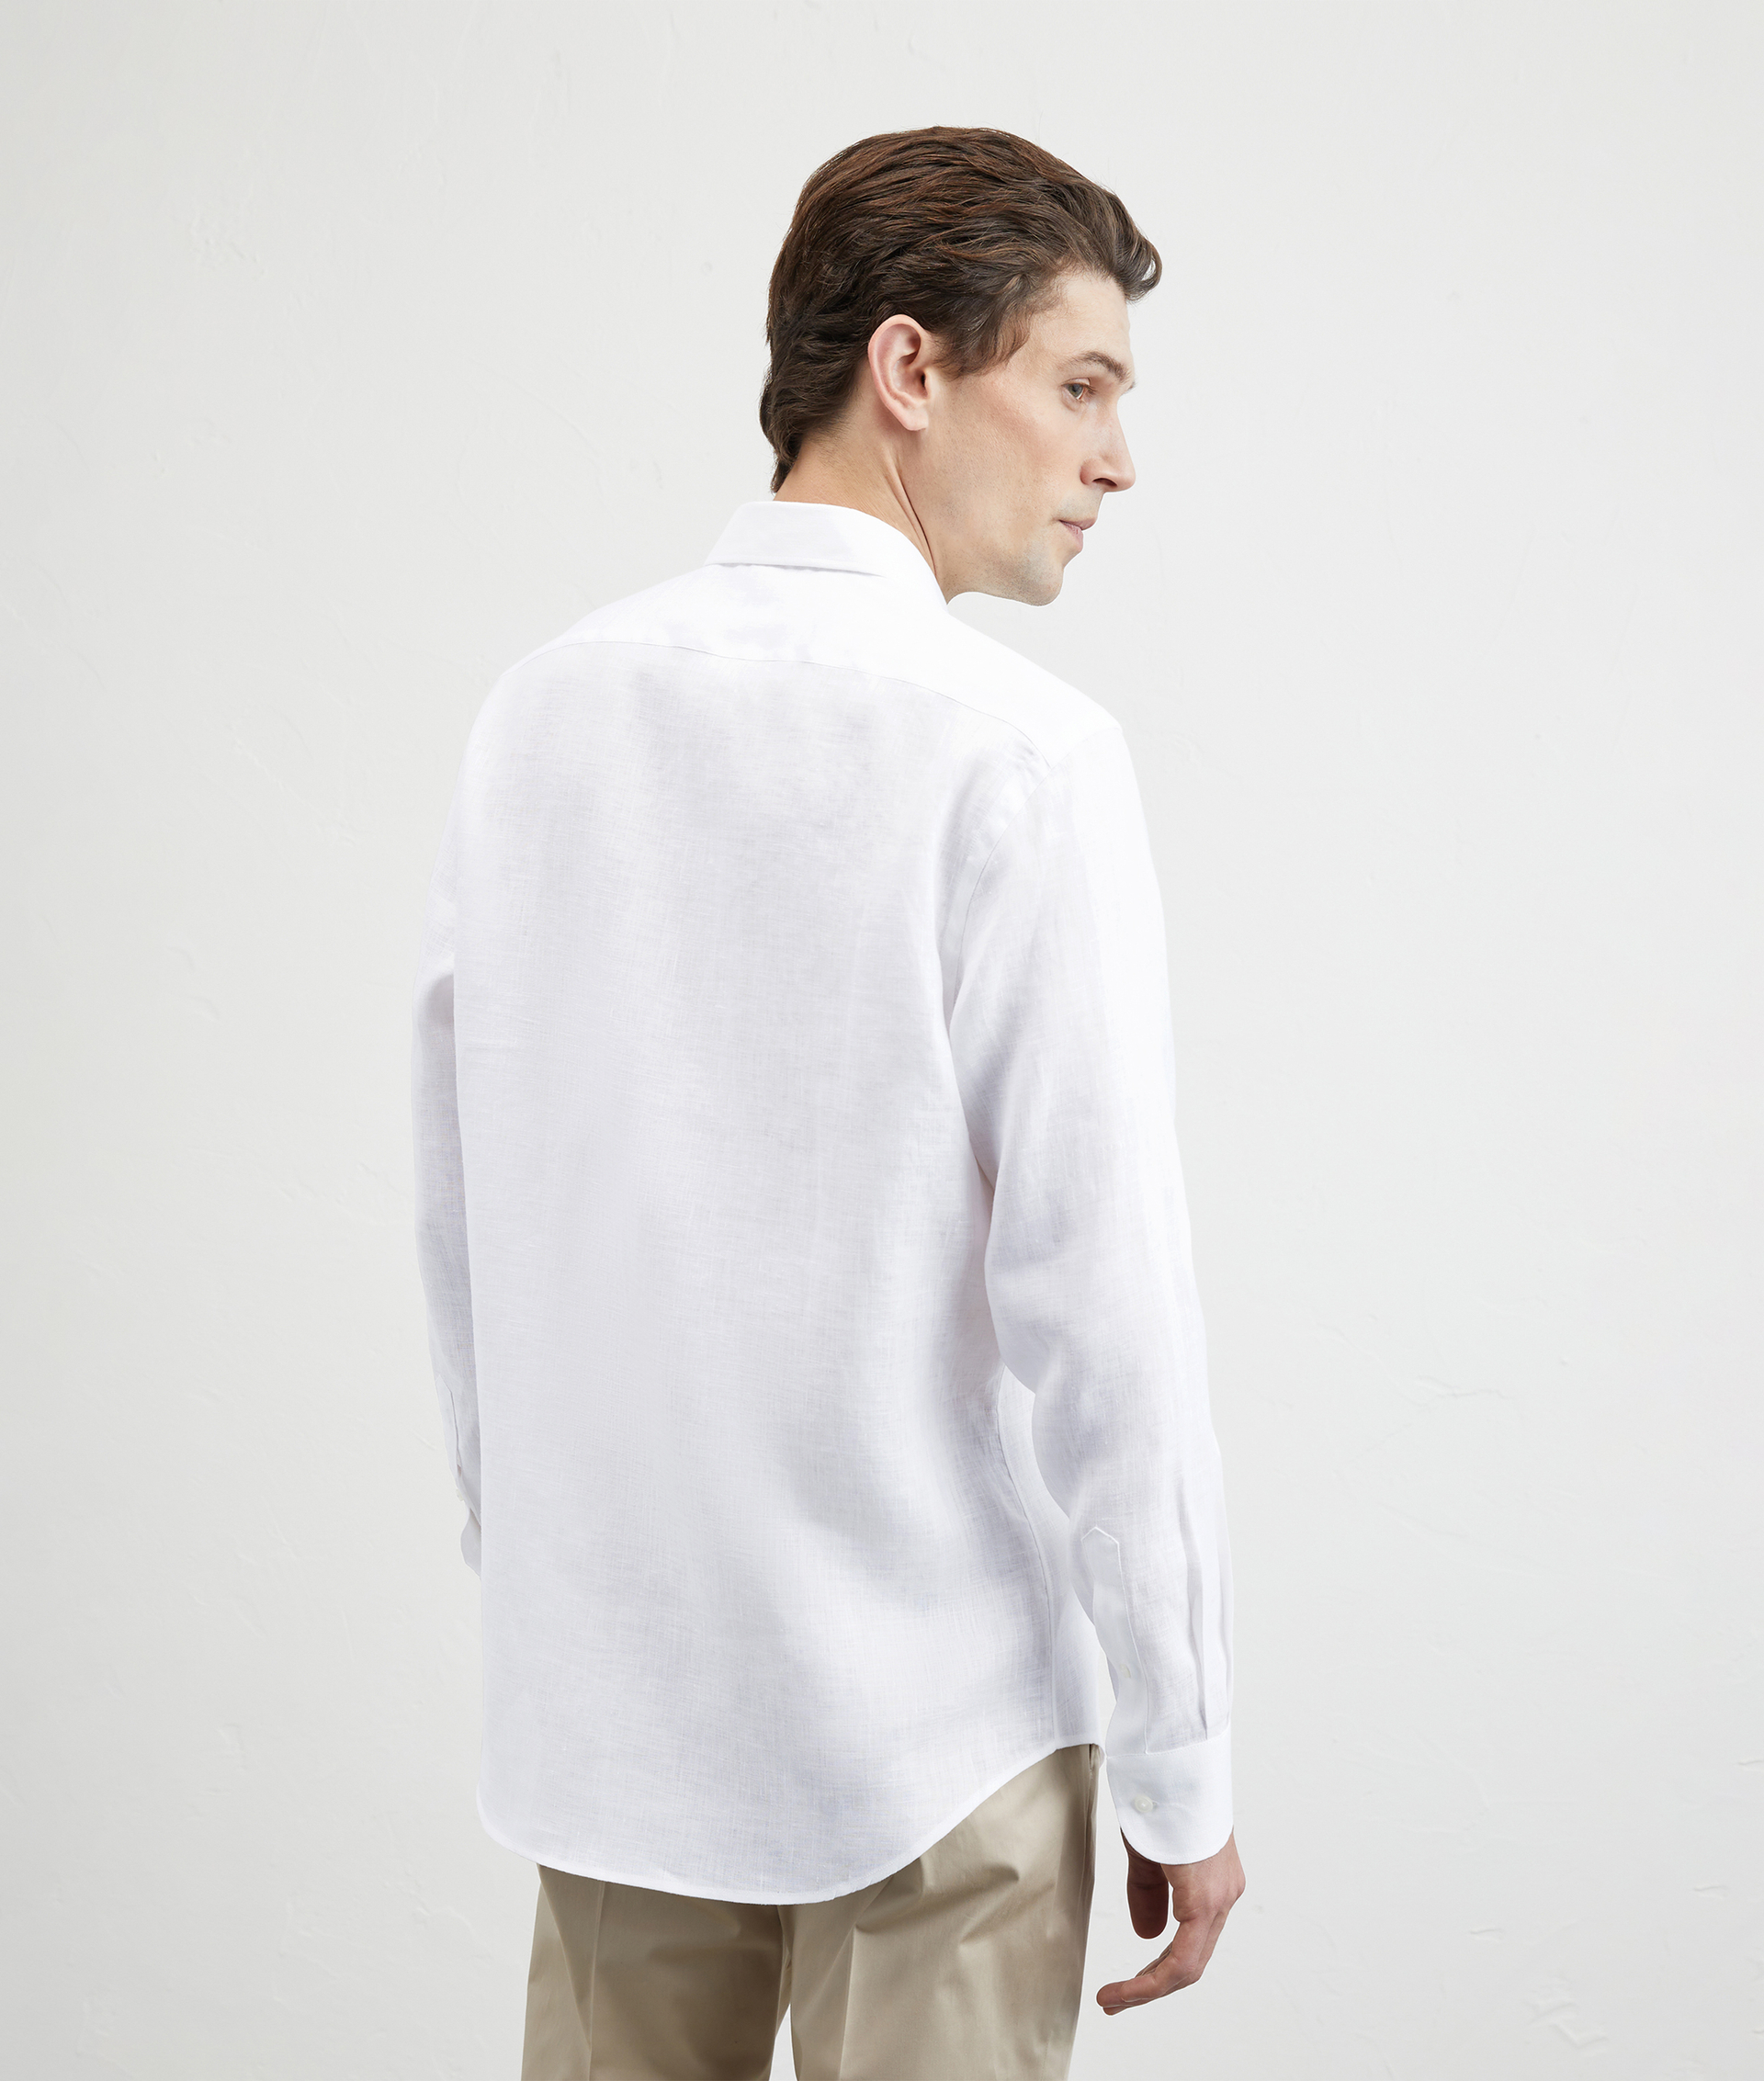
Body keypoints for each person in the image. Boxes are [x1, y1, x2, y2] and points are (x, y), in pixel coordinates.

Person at [411, 124, 1243, 2079]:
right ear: (909, 369)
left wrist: (555, 1578)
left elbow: (466, 1218)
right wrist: (1184, 1756)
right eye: (1081, 384)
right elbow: (1103, 1303)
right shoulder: (1018, 753)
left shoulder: (543, 711)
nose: (1118, 457)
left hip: (615, 1718)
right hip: (936, 1733)